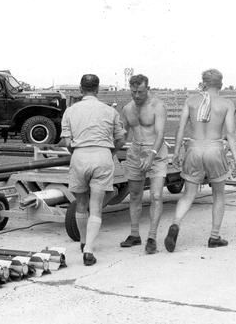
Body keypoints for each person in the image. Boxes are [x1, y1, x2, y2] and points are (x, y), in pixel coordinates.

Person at [165, 69, 236, 252]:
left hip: (194, 149)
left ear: (203, 83)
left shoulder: (191, 101)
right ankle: (214, 237)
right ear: (221, 84)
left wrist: (175, 152)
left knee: (188, 194)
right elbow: (230, 133)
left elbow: (181, 128)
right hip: (214, 149)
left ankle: (175, 224)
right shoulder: (226, 104)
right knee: (218, 195)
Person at [60, 74, 125, 265]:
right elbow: (120, 139)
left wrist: (77, 150)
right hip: (102, 155)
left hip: (80, 156)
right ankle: (89, 248)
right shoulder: (109, 111)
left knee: (81, 203)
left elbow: (66, 141)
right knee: (96, 207)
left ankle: (82, 240)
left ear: (81, 89)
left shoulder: (70, 111)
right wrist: (110, 151)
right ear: (97, 90)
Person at [119, 74, 167, 254]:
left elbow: (160, 134)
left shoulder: (158, 106)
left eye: (139, 92)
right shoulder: (128, 108)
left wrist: (151, 156)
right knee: (135, 195)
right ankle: (134, 235)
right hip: (135, 152)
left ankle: (152, 237)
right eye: (133, 92)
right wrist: (111, 150)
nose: (136, 95)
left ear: (147, 88)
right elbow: (123, 134)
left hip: (155, 151)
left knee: (155, 195)